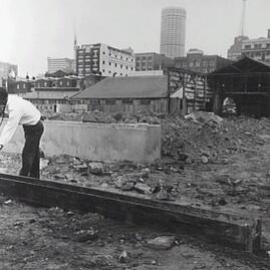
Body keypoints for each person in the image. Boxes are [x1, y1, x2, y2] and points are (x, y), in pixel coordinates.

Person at [0, 87, 44, 179]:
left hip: (35, 127)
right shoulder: (10, 99)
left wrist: (1, 144)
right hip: (29, 125)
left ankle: (22, 179)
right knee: (34, 152)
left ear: (3, 99)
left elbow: (10, 127)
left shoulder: (14, 108)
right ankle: (34, 178)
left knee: (27, 153)